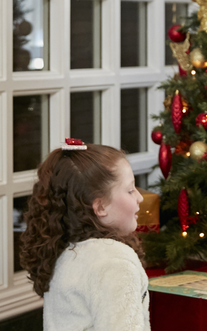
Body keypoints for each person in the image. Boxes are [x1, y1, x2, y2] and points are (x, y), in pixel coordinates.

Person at [20, 140, 150, 331]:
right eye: (130, 190)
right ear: (100, 207)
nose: (139, 197)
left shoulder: (65, 250)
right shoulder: (114, 262)